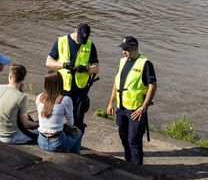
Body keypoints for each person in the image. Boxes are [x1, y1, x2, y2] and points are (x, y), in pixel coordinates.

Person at [106, 36, 157, 165]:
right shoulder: (122, 61)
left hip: (135, 110)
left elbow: (153, 85)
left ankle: (137, 168)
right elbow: (116, 83)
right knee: (123, 137)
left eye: (126, 49)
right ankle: (129, 162)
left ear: (134, 48)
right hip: (121, 108)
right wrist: (111, 102)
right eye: (123, 49)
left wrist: (144, 107)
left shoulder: (145, 64)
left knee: (134, 140)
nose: (123, 52)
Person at [45, 23, 99, 132]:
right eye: (79, 38)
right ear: (75, 31)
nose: (80, 41)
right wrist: (63, 65)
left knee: (78, 117)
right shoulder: (61, 41)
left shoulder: (89, 45)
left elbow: (96, 68)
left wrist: (86, 68)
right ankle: (58, 136)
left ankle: (76, 142)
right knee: (58, 114)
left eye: (83, 39)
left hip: (80, 89)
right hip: (63, 87)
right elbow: (48, 62)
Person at [0, 64, 39, 144]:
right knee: (41, 132)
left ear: (10, 76)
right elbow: (26, 124)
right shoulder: (22, 97)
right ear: (22, 79)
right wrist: (38, 124)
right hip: (9, 137)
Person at [36, 70, 82, 154]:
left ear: (46, 84)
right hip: (57, 143)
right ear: (60, 83)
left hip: (41, 141)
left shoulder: (40, 97)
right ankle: (76, 155)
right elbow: (70, 123)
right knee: (78, 132)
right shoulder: (65, 100)